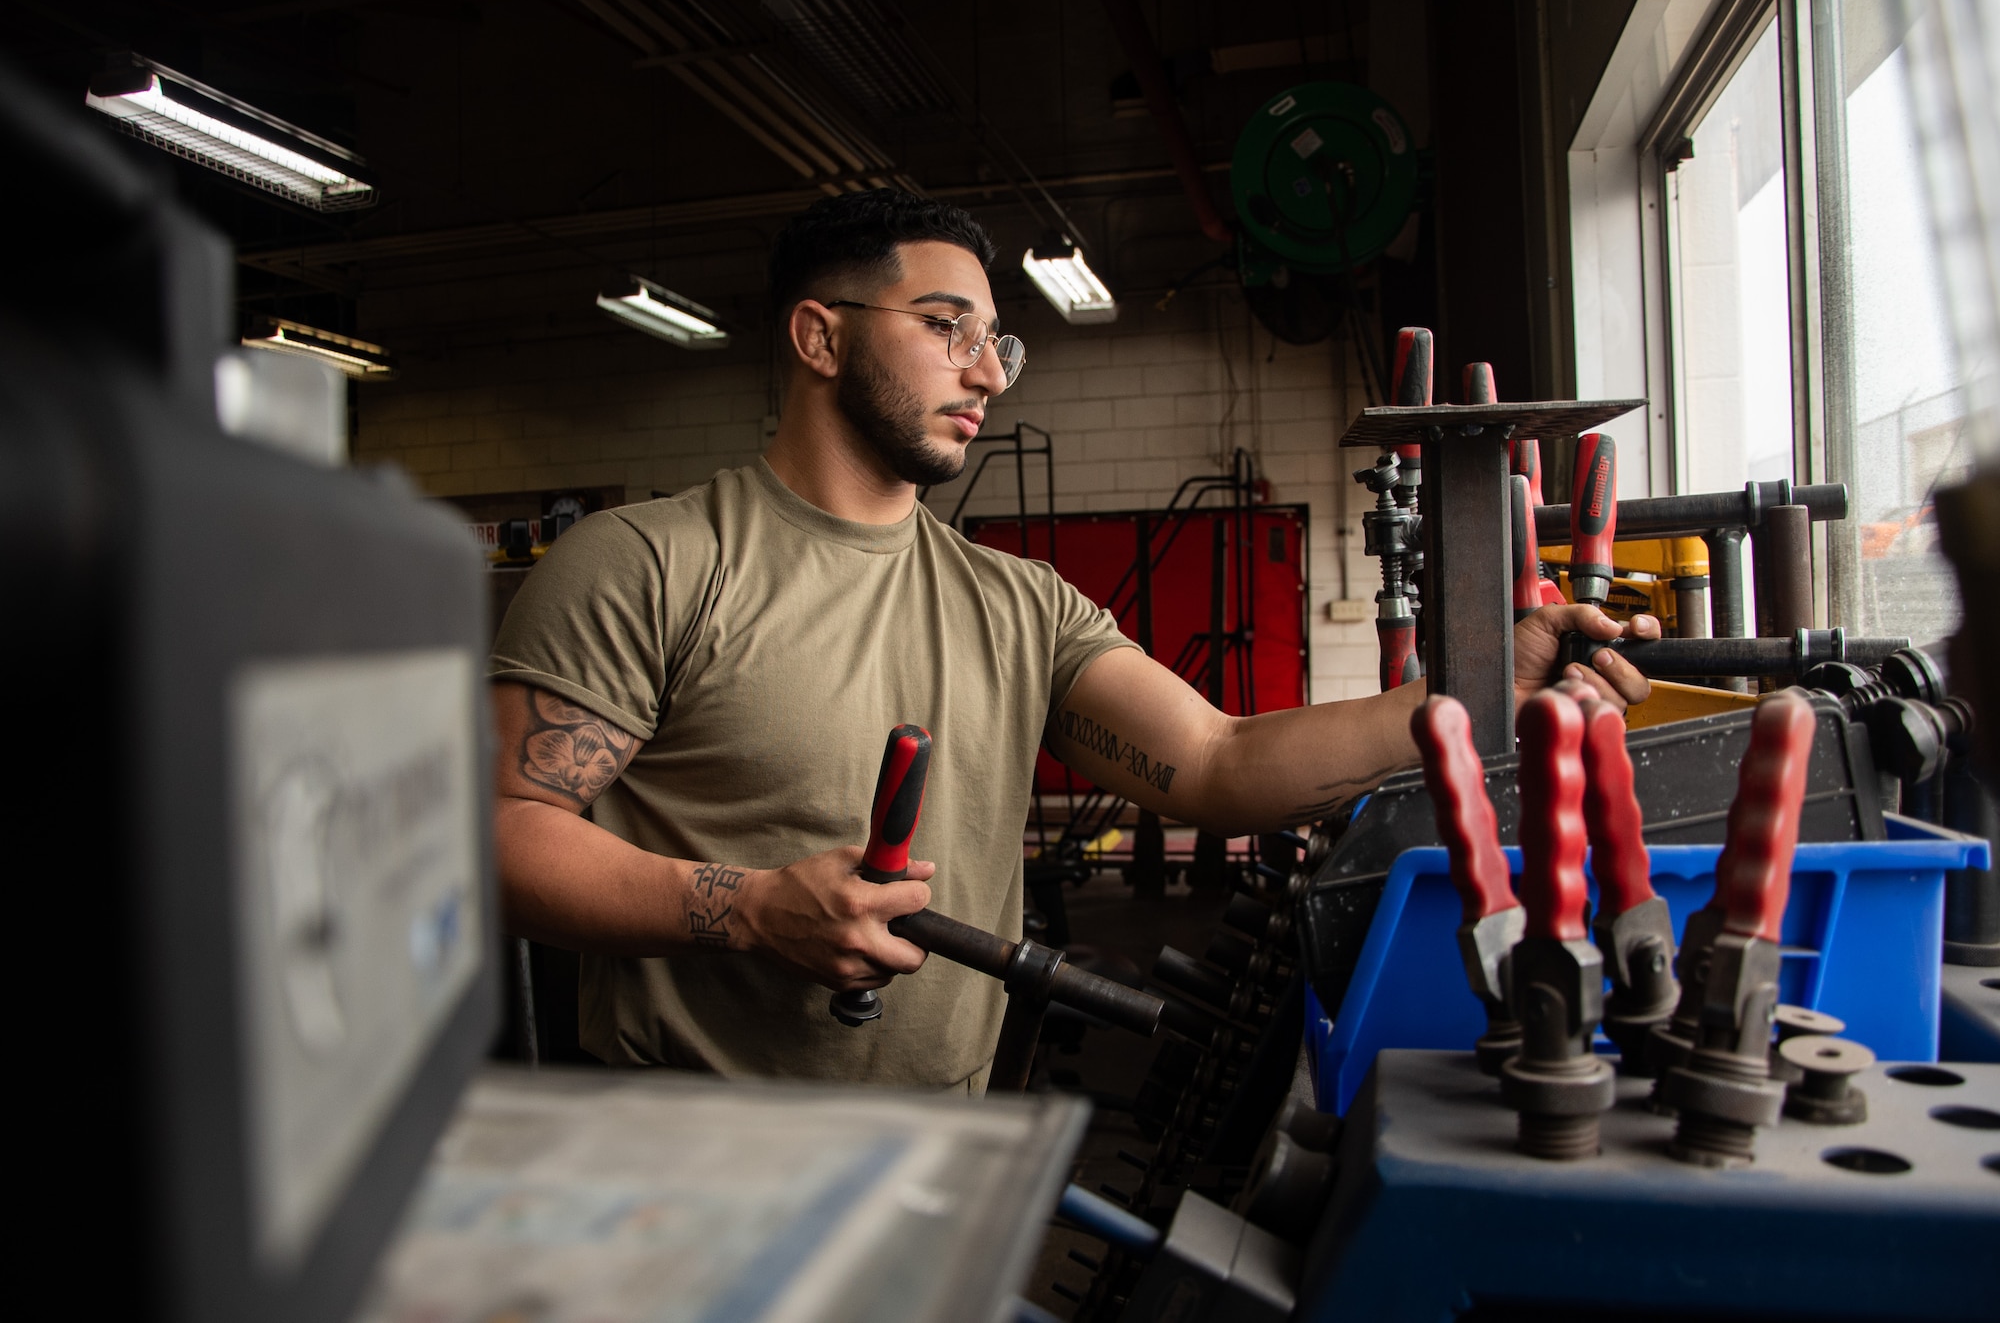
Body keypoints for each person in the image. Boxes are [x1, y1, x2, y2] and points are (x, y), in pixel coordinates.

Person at [490, 189, 1656, 1091]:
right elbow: (501, 835)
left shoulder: (1020, 604)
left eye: (997, 341)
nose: (986, 371)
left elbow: (1215, 761)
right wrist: (746, 909)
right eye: (946, 327)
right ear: (817, 335)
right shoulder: (648, 563)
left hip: (940, 1140)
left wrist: (1477, 695)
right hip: (690, 1152)